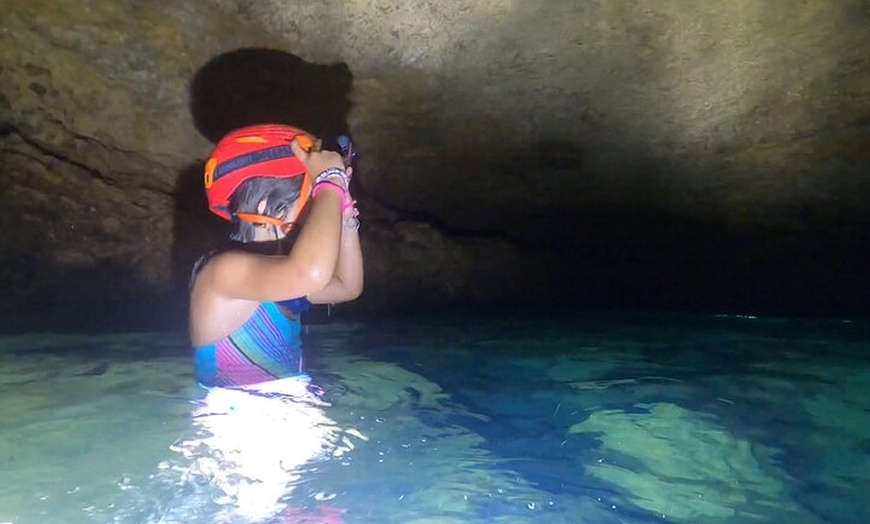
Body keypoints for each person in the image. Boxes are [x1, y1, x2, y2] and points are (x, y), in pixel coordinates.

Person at [189, 123, 364, 387]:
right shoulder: (222, 272)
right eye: (313, 194)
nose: (319, 204)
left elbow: (347, 286)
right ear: (264, 206)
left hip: (283, 405)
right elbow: (311, 273)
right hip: (237, 410)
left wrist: (344, 213)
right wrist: (330, 181)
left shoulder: (281, 274)